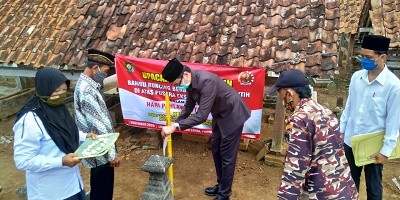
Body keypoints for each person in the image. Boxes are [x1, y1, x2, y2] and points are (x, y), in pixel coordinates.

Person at [160, 58, 251, 200]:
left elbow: (202, 116)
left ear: (185, 75)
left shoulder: (206, 81)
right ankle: (221, 185)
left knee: (227, 156)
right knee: (216, 149)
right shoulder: (190, 84)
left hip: (233, 114)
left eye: (177, 84)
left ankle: (224, 194)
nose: (178, 87)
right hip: (220, 115)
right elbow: (188, 107)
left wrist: (175, 127)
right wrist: (174, 124)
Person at [268, 69, 359, 199]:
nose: (281, 100)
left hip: (323, 193)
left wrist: (286, 197)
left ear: (289, 94)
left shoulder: (299, 120)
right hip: (345, 189)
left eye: (280, 95)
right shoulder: (326, 112)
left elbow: (296, 167)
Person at [13, 68, 91, 200]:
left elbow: (65, 133)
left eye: (64, 90)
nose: (60, 95)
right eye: (56, 91)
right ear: (44, 89)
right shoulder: (30, 120)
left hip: (73, 185)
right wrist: (60, 161)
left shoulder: (58, 109)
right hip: (50, 192)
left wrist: (84, 137)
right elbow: (23, 161)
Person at [340, 35, 400, 199]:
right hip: (351, 140)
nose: (363, 60)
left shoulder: (393, 86)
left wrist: (385, 151)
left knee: (374, 188)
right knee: (349, 185)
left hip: (374, 145)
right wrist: (341, 132)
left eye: (368, 57)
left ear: (382, 57)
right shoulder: (356, 77)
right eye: (362, 56)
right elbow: (349, 106)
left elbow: (394, 121)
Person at [74, 49, 121, 200]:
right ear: (95, 68)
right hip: (100, 152)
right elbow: (98, 125)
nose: (105, 75)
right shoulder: (87, 90)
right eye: (105, 71)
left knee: (99, 188)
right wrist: (112, 155)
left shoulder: (86, 85)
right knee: (102, 192)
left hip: (98, 149)